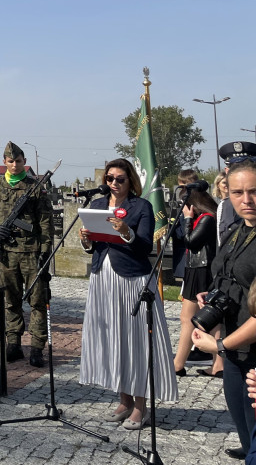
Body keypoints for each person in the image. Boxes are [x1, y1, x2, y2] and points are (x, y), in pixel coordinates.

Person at [78, 157, 177, 430]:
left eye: (119, 179)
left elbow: (145, 246)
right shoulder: (97, 205)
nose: (113, 183)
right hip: (103, 278)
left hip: (133, 279)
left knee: (135, 342)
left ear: (130, 180)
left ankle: (141, 406)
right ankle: (124, 400)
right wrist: (87, 241)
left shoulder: (141, 206)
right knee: (113, 339)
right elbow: (95, 247)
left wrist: (127, 232)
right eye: (109, 179)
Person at [192, 149, 256, 459]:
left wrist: (217, 346)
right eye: (238, 192)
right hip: (234, 349)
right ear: (226, 193)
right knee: (242, 420)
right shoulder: (234, 232)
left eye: (254, 191)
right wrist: (212, 293)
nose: (247, 200)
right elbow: (225, 273)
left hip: (248, 348)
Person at [0, 142, 53, 367]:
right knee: (11, 300)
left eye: (18, 161)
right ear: (4, 162)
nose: (14, 165)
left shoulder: (35, 187)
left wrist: (45, 253)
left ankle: (37, 348)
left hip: (31, 253)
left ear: (24, 162)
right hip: (7, 254)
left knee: (37, 301)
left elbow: (45, 222)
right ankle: (14, 343)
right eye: (10, 161)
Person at [172, 184, 220, 376]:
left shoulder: (207, 218)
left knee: (190, 319)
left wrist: (188, 219)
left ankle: (178, 364)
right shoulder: (205, 218)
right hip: (195, 269)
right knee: (208, 320)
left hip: (201, 270)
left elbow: (191, 241)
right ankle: (217, 365)